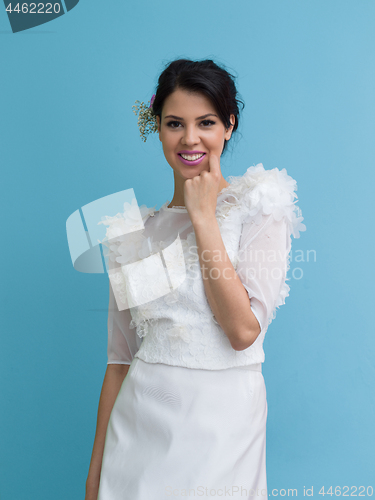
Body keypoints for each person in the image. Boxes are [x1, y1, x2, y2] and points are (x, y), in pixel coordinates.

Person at [85, 58, 306, 500]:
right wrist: (95, 477)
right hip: (138, 430)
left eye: (205, 122)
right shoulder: (132, 233)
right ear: (159, 129)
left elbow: (242, 331)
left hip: (223, 430)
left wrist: (204, 217)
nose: (190, 139)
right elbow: (118, 361)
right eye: (174, 124)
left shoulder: (260, 207)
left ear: (228, 125)